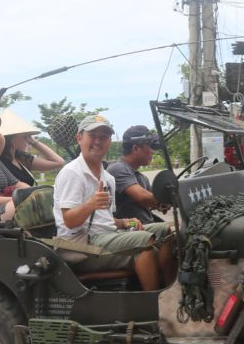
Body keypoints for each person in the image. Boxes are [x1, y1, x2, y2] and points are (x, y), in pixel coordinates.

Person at [52, 115, 175, 291]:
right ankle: (154, 303)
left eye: (103, 137)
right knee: (144, 240)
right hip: (80, 245)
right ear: (79, 138)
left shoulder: (107, 177)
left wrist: (124, 222)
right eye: (92, 135)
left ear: (110, 142)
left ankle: (171, 292)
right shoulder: (72, 173)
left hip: (105, 235)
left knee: (165, 231)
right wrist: (90, 204)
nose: (97, 141)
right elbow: (69, 222)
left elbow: (104, 219)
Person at [107, 125, 168, 224]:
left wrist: (161, 205)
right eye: (149, 146)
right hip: (131, 231)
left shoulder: (142, 178)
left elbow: (151, 202)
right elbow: (144, 198)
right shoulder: (117, 169)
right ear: (135, 148)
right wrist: (170, 198)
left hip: (148, 227)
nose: (153, 152)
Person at [0, 109, 65, 185]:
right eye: (25, 136)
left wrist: (35, 142)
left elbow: (59, 162)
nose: (28, 140)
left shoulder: (21, 158)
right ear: (12, 138)